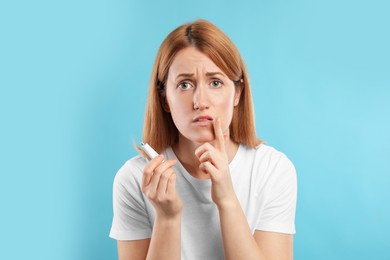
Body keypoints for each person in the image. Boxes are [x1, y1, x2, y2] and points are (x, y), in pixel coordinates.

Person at [109, 19, 297, 260]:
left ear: (237, 92)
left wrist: (227, 199)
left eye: (215, 82)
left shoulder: (272, 170)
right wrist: (167, 218)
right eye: (184, 84)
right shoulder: (134, 179)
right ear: (165, 98)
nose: (200, 101)